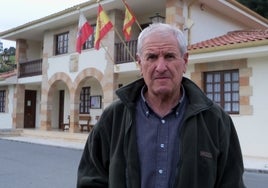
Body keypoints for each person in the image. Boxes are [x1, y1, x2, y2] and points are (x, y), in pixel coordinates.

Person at [77, 23, 245, 188]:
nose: (161, 67)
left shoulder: (215, 120)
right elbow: (91, 180)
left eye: (170, 56)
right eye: (151, 57)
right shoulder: (113, 118)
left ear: (185, 61)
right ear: (139, 63)